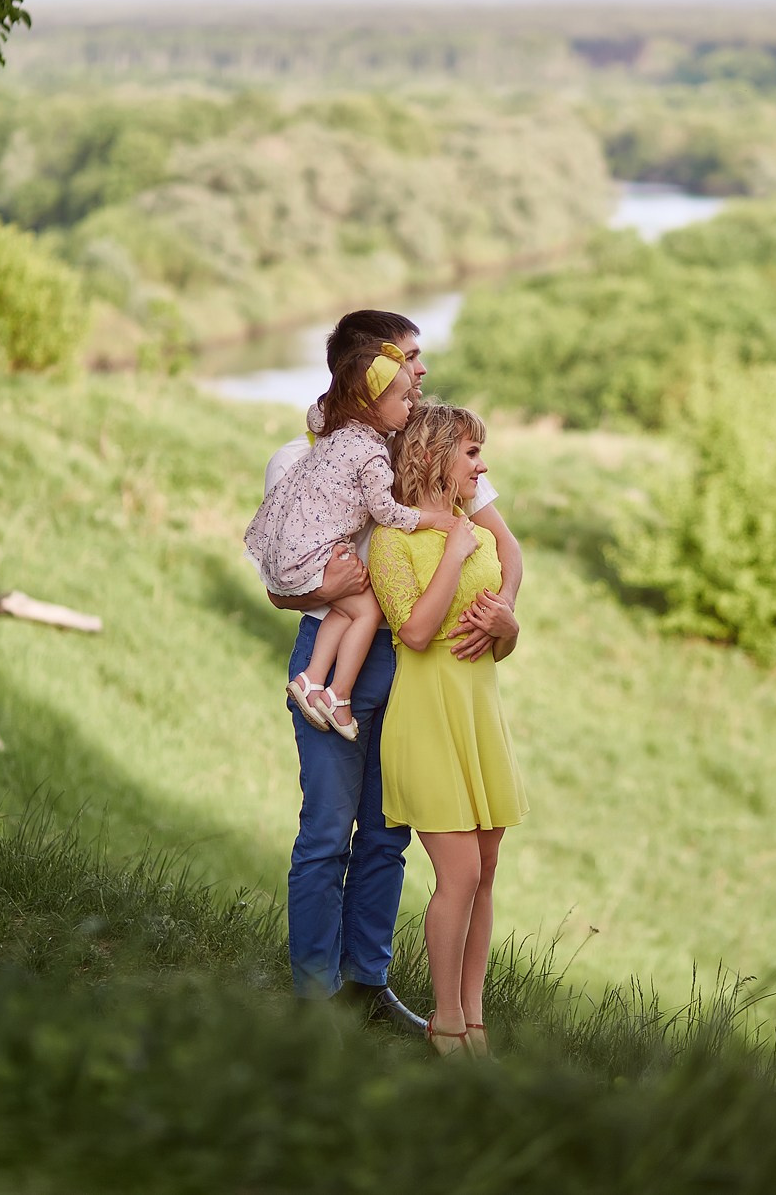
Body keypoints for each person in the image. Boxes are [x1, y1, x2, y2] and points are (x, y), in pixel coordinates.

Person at [261, 310, 523, 1031]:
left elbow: (503, 545)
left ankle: (366, 985)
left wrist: (504, 613)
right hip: (336, 653)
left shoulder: (425, 446)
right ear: (365, 370)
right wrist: (332, 588)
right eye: (410, 357)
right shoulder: (298, 460)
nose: (421, 370)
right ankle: (314, 997)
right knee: (327, 830)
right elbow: (280, 586)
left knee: (387, 834)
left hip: (412, 673)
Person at [368, 401, 525, 1058]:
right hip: (427, 718)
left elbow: (495, 640)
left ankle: (475, 1021)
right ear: (434, 459)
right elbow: (416, 630)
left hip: (479, 715)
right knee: (457, 875)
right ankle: (445, 1021)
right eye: (470, 454)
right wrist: (455, 555)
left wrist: (509, 628)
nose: (481, 466)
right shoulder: (392, 539)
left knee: (485, 872)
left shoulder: (481, 535)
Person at [244, 340, 455, 740]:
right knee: (367, 609)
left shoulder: (334, 424)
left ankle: (311, 680)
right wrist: (434, 520)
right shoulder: (373, 457)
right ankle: (338, 695)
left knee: (346, 609)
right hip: (312, 559)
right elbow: (386, 513)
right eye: (401, 398)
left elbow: (318, 412)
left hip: (291, 551)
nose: (410, 404)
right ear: (372, 406)